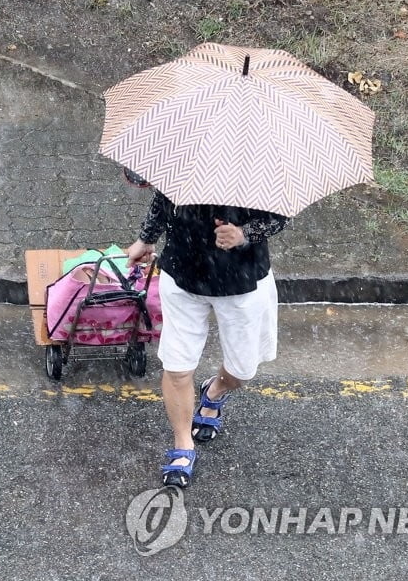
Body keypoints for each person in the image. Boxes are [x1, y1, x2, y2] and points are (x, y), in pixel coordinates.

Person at [121, 167, 290, 488]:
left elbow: (282, 216)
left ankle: (214, 391)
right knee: (177, 366)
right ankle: (183, 443)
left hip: (242, 281)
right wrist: (145, 239)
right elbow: (160, 196)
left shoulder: (263, 161)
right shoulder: (187, 146)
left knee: (243, 371)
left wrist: (244, 234)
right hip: (181, 275)